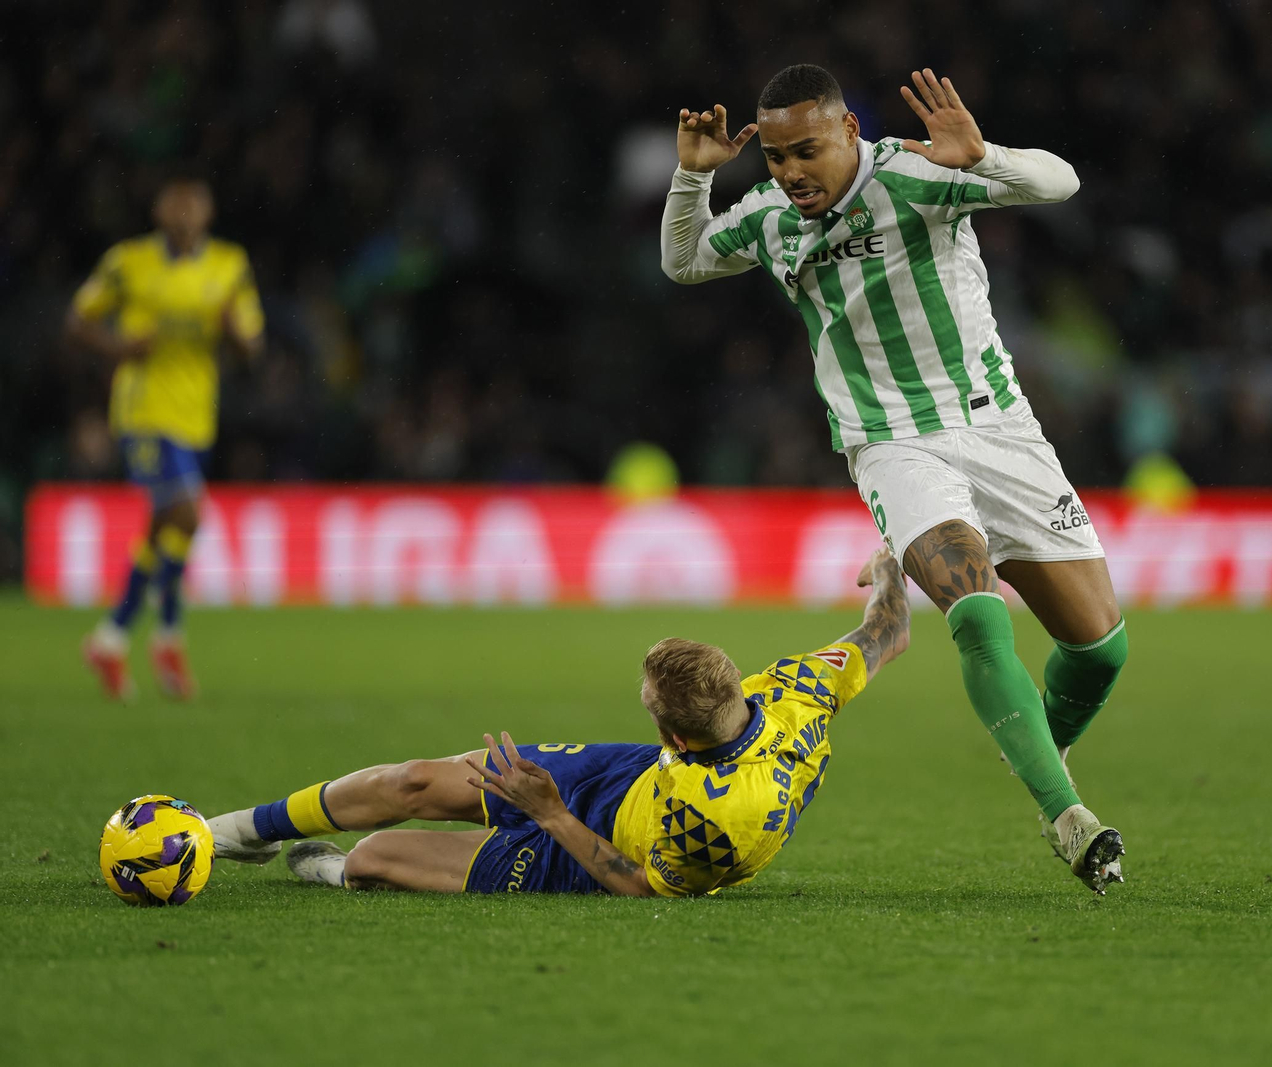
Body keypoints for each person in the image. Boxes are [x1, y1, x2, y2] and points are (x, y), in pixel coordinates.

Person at [661, 65, 1128, 893]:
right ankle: (1069, 817)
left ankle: (1034, 740)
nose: (790, 173)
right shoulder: (770, 217)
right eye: (775, 157)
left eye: (806, 151)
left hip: (999, 427)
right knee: (978, 616)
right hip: (890, 442)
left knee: (1098, 649)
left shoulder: (916, 176)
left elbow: (1062, 182)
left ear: (849, 131)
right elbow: (685, 261)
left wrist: (983, 158)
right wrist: (694, 176)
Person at [204, 549, 909, 897]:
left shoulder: (718, 820)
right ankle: (235, 831)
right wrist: (887, 573)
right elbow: (889, 633)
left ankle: (342, 871)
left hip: (598, 851)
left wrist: (550, 814)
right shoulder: (797, 690)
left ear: (676, 737)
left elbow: (638, 885)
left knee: (375, 853)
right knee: (414, 781)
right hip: (629, 779)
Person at [68, 174, 265, 702]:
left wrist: (235, 333)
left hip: (196, 414)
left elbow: (253, 346)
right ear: (159, 212)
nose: (183, 215)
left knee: (166, 529)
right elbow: (77, 320)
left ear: (208, 213)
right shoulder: (128, 262)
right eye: (175, 205)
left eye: (192, 206)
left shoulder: (229, 265)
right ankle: (169, 638)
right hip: (143, 410)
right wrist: (118, 348)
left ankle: (110, 639)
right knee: (189, 513)